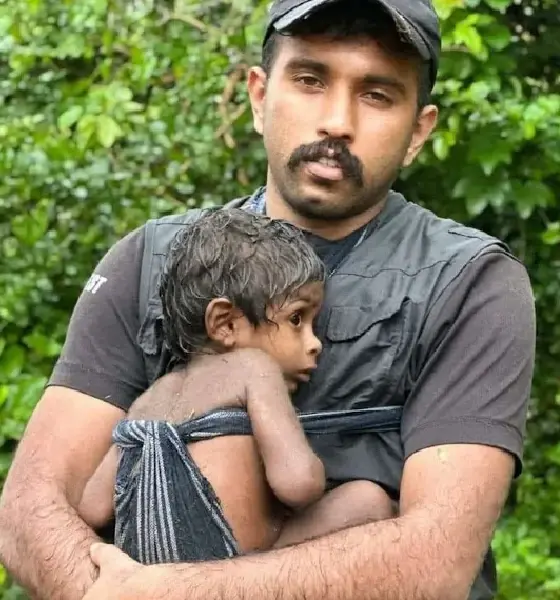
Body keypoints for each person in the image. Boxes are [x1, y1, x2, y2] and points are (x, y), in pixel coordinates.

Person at [0, 0, 536, 599]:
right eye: (309, 80)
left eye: (377, 94)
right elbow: (32, 506)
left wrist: (170, 594)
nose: (336, 121)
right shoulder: (150, 260)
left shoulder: (469, 282)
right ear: (258, 96)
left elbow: (435, 559)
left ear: (418, 132)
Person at [79, 207, 395, 563]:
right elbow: (298, 484)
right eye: (297, 318)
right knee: (368, 500)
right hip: (240, 568)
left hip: (153, 571)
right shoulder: (252, 368)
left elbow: (92, 507)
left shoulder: (150, 398)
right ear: (225, 323)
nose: (314, 342)